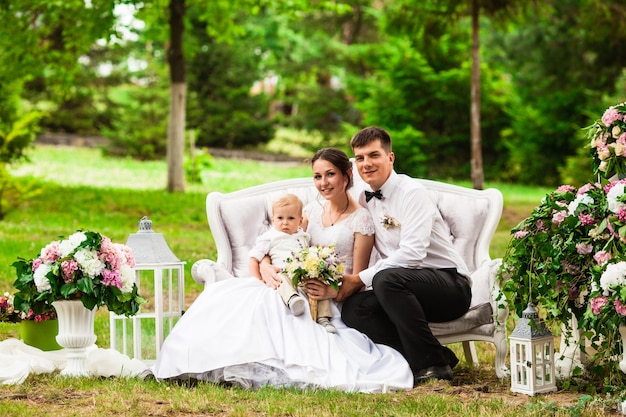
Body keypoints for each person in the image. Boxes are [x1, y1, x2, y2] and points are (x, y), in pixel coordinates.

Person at [151, 147, 413, 392]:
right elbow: (285, 243)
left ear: (347, 176)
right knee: (235, 297)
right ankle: (205, 360)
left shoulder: (362, 219)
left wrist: (328, 289)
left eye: (330, 174)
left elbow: (357, 279)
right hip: (288, 280)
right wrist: (265, 266)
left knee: (280, 307)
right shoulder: (308, 211)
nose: (323, 183)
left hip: (327, 295)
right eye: (317, 176)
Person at [337, 126, 472, 385]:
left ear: (390, 158)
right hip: (402, 290)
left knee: (385, 279)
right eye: (361, 158)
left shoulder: (412, 193)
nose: (367, 163)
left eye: (374, 155)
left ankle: (432, 367)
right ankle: (437, 355)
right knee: (355, 310)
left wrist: (360, 278)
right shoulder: (365, 199)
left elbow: (412, 255)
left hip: (449, 287)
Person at [249, 193, 336, 333]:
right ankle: (293, 300)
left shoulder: (303, 235)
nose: (285, 222)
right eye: (280, 218)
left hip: (302, 274)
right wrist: (257, 281)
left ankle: (324, 318)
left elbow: (307, 252)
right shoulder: (270, 237)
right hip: (282, 272)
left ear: (300, 220)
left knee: (319, 284)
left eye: (290, 218)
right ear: (272, 219)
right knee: (281, 280)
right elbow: (254, 258)